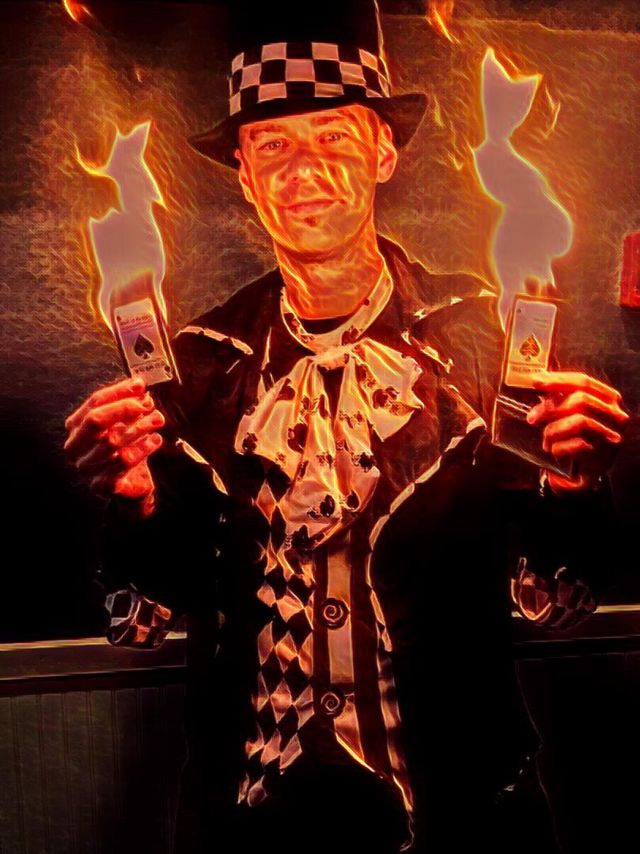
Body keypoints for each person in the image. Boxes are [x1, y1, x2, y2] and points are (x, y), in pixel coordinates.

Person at [63, 2, 629, 852]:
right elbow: (135, 626)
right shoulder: (197, 369)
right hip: (251, 830)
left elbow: (555, 609)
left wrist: (573, 490)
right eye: (272, 145)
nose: (304, 170)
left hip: (463, 822)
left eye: (332, 136)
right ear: (244, 175)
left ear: (384, 152)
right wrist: (131, 505)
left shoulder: (485, 343)